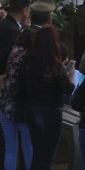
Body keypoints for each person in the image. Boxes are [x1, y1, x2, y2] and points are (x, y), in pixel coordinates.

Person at [21, 26, 76, 170]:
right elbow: (68, 89)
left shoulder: (28, 61)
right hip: (50, 111)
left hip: (31, 108)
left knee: (37, 153)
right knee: (47, 155)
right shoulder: (55, 66)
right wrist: (70, 76)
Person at [0, 27, 36, 170]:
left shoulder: (12, 53)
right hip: (23, 107)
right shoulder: (30, 57)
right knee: (28, 148)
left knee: (10, 147)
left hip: (5, 104)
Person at [0, 0, 31, 75]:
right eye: (28, 11)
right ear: (25, 10)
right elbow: (5, 58)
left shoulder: (4, 23)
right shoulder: (13, 31)